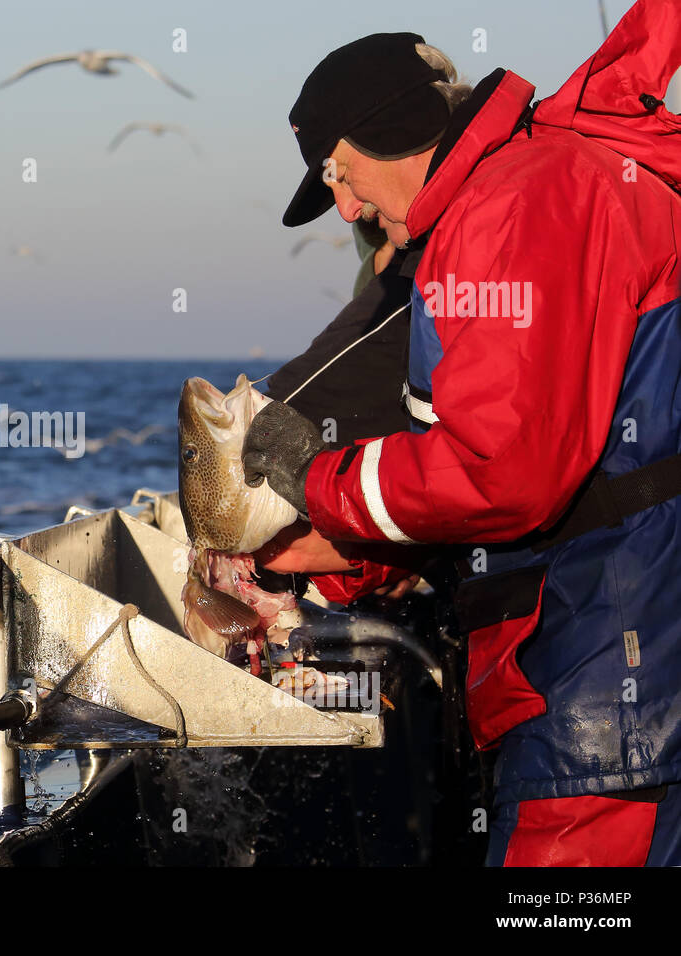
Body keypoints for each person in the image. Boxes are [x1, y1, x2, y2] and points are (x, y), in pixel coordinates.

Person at [243, 1, 681, 865]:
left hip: (609, 688)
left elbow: (506, 472)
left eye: (336, 173)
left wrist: (316, 479)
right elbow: (556, 454)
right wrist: (348, 554)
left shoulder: (515, 206)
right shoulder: (537, 180)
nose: (345, 209)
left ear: (388, 132)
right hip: (619, 659)